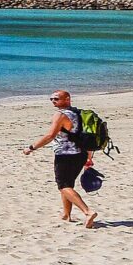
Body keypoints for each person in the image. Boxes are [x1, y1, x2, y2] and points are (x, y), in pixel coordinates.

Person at [24, 88, 98, 229]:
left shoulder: (60, 115)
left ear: (67, 99)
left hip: (66, 155)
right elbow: (86, 135)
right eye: (51, 99)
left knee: (63, 186)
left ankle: (88, 212)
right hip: (80, 154)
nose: (53, 101)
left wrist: (31, 148)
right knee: (67, 184)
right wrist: (89, 156)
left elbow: (50, 136)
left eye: (56, 99)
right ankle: (66, 215)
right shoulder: (78, 113)